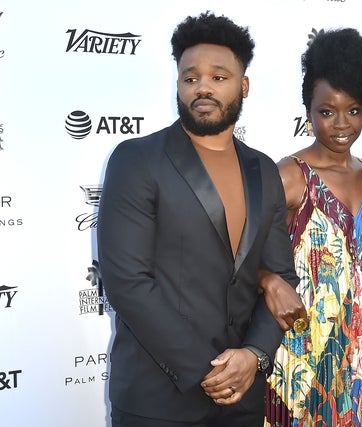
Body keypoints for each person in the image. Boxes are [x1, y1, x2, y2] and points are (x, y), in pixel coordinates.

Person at [97, 11, 299, 427]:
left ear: (243, 86)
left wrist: (254, 356)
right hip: (158, 400)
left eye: (218, 77)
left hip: (242, 398)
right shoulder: (136, 160)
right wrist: (206, 370)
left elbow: (281, 275)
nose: (203, 87)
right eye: (190, 78)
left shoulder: (265, 170)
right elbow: (127, 282)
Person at [259, 28, 362, 427]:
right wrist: (267, 281)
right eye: (326, 111)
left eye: (353, 109)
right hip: (297, 360)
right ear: (308, 110)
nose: (341, 124)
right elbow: (238, 253)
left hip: (358, 364)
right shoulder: (290, 176)